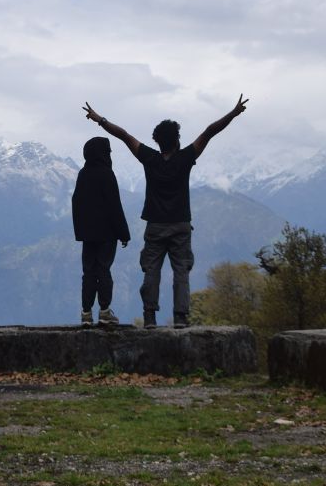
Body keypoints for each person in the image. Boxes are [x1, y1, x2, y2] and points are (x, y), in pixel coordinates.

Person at [82, 95, 248, 328]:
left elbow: (124, 136)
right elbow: (209, 131)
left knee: (151, 271)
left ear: (157, 141)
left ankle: (149, 316)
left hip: (155, 226)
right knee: (181, 271)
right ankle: (181, 317)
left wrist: (100, 119)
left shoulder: (150, 158)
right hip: (181, 225)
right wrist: (233, 113)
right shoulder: (186, 157)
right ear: (177, 140)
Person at [71, 137, 131, 326]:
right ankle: (105, 312)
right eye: (108, 151)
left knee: (88, 271)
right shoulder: (107, 174)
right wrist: (123, 233)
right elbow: (115, 206)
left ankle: (86, 314)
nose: (110, 154)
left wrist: (80, 231)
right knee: (103, 270)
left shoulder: (83, 174)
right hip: (107, 235)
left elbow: (76, 202)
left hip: (88, 235)